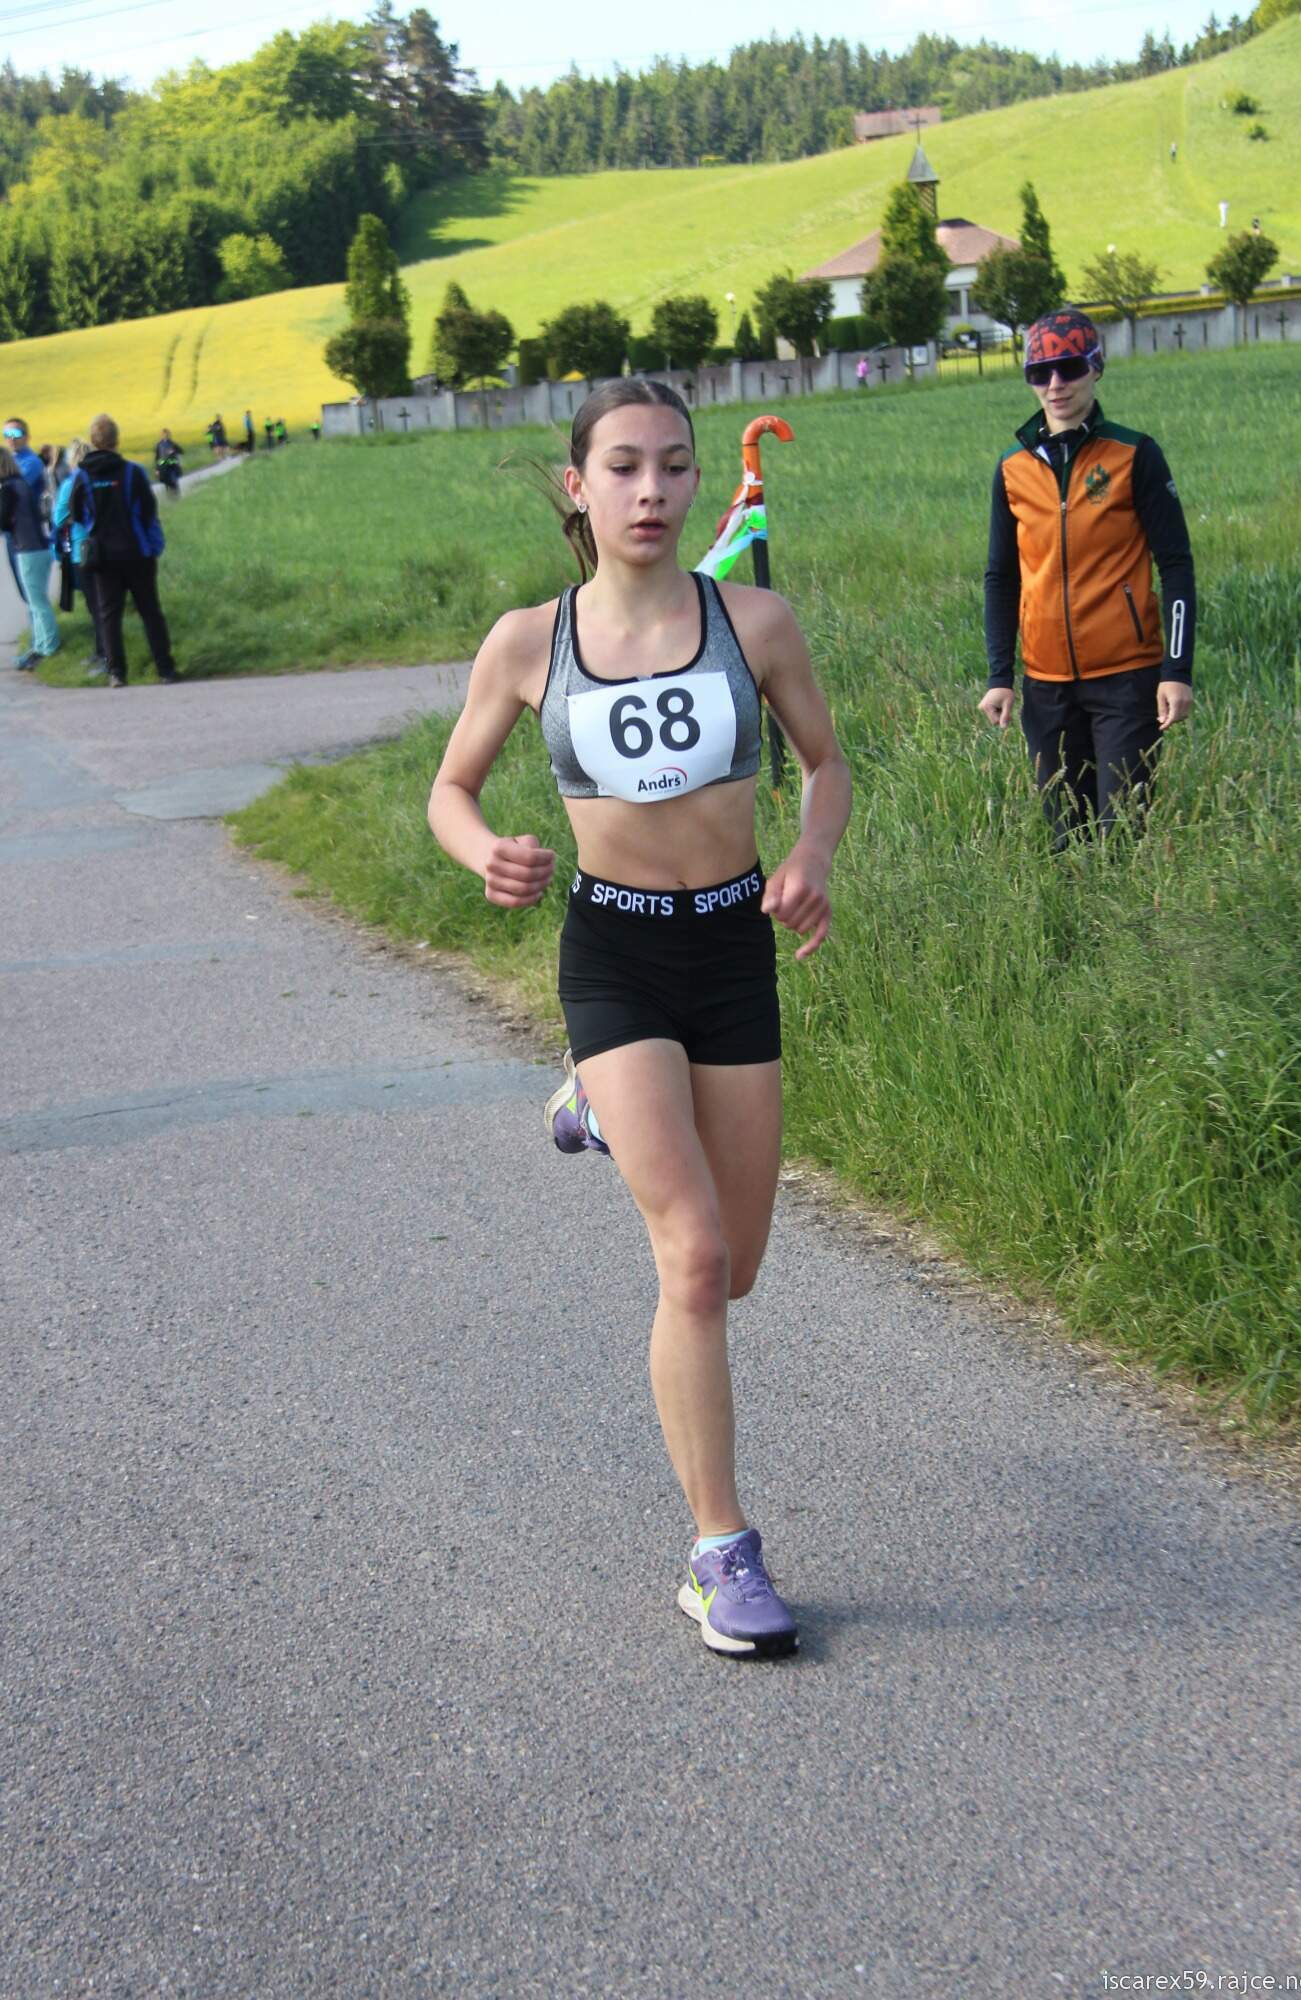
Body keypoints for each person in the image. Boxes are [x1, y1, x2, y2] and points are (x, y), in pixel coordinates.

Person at [426, 379, 851, 1659]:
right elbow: (450, 789)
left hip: (729, 950)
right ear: (579, 486)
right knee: (694, 1261)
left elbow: (825, 765)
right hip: (610, 951)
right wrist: (484, 852)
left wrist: (811, 854)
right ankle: (721, 1552)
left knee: (742, 1263)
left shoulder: (754, 621)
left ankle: (598, 1103)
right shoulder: (528, 641)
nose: (651, 490)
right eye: (622, 467)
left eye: (672, 464)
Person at [979, 307, 1195, 845]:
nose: (1055, 384)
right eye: (1040, 372)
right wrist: (1000, 675)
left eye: (1070, 367)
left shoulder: (1134, 455)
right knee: (1065, 844)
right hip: (1046, 686)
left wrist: (1177, 670)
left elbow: (1176, 566)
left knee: (1121, 835)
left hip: (1127, 679)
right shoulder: (1012, 469)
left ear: (1096, 367)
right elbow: (1001, 577)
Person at [71, 412, 180, 687]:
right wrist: (153, 544)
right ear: (116, 440)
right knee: (150, 611)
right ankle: (165, 669)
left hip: (102, 556)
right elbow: (148, 510)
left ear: (93, 441)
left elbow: (76, 514)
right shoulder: (132, 472)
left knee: (109, 615)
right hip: (136, 551)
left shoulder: (82, 476)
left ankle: (116, 672)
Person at [51, 438, 108, 678]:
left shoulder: (70, 483)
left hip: (81, 549)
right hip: (104, 545)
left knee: (94, 604)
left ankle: (104, 655)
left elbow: (58, 518)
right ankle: (102, 651)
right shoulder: (100, 478)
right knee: (102, 603)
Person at [0, 441, 60, 669]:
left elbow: (3, 520)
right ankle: (40, 646)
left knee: (37, 602)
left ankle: (48, 647)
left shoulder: (8, 488)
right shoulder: (21, 484)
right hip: (38, 546)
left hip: (28, 549)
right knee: (36, 601)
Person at [155, 430, 184, 497]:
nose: (165, 436)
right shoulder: (159, 445)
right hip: (163, 467)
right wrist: (157, 469)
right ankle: (170, 497)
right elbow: (157, 457)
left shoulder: (173, 444)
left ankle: (177, 496)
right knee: (166, 482)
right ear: (161, 436)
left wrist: (173, 451)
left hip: (172, 466)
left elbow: (181, 451)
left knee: (173, 481)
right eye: (163, 435)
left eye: (166, 434)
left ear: (169, 435)